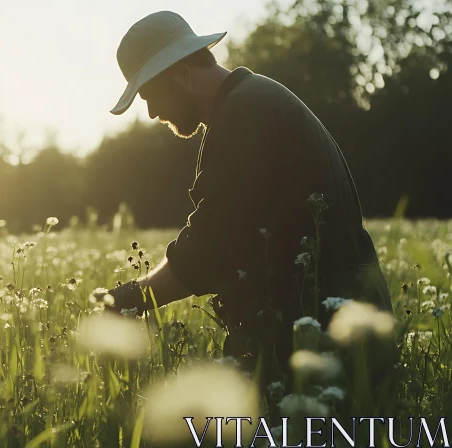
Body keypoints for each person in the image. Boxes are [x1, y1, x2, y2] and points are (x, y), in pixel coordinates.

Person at [103, 11, 396, 390]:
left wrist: (128, 298)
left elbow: (211, 248)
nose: (152, 112)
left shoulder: (246, 115)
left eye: (148, 95)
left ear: (181, 74)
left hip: (334, 341)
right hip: (332, 330)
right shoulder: (247, 103)